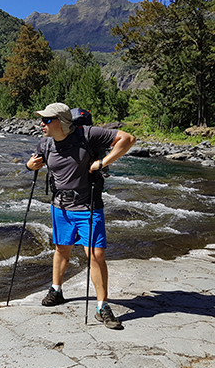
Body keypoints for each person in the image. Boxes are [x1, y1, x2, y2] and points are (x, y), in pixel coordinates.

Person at [26, 102, 136, 330]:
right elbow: (35, 162)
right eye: (42, 120)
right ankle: (56, 291)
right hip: (60, 206)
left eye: (47, 120)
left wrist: (102, 162)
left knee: (95, 255)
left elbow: (128, 139)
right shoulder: (45, 143)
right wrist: (30, 166)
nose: (42, 124)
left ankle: (102, 307)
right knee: (61, 248)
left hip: (88, 206)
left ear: (61, 122)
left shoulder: (88, 134)